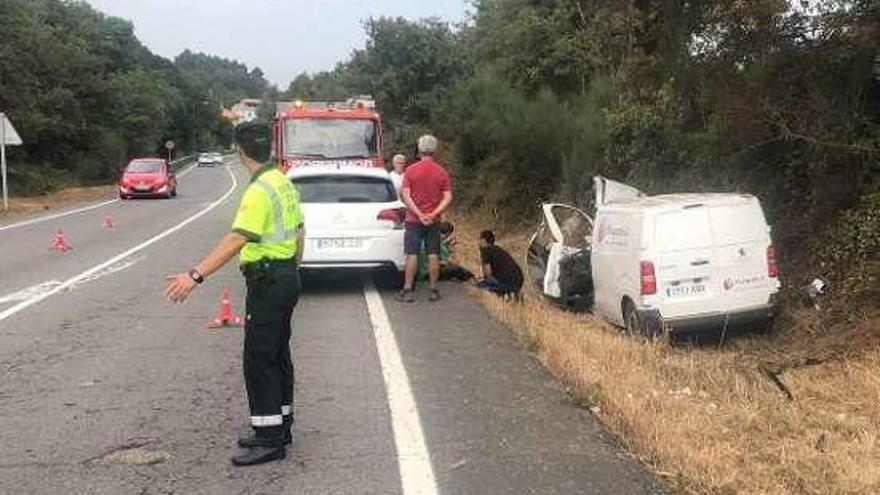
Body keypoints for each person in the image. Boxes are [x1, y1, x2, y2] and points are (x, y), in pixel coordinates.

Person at [164, 121, 304, 467]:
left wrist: (194, 275)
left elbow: (236, 238)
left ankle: (270, 439)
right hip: (285, 275)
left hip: (269, 281)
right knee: (277, 353)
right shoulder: (282, 181)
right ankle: (280, 423)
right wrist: (291, 269)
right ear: (269, 149)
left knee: (259, 358)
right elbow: (300, 231)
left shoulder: (259, 190)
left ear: (240, 152)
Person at [397, 135, 453, 302]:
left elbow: (406, 195)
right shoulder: (441, 171)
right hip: (433, 221)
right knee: (433, 254)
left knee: (412, 254)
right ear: (434, 150)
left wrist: (419, 214)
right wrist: (433, 214)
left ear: (419, 149)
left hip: (413, 220)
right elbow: (448, 197)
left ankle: (407, 289)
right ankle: (433, 289)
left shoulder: (410, 170)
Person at [477, 230, 524, 298]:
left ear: (484, 241)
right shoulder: (497, 249)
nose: (478, 242)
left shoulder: (486, 250)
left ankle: (505, 292)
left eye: (479, 239)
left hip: (504, 282)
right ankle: (513, 292)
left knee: (478, 285)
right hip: (518, 281)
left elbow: (487, 275)